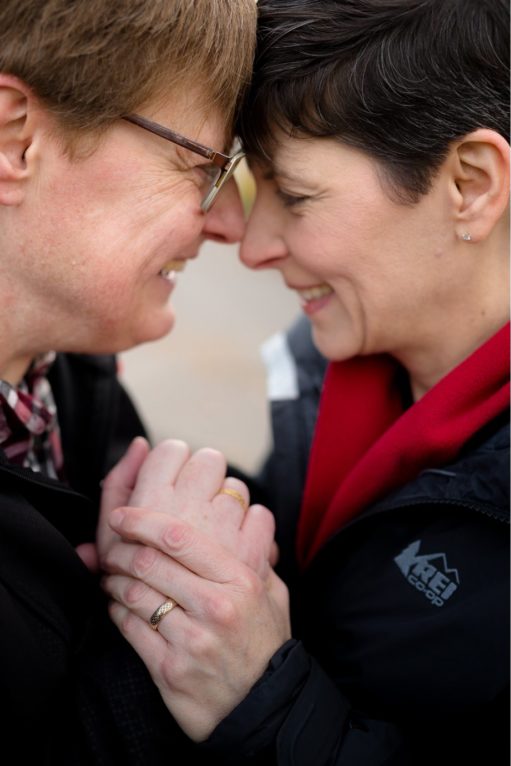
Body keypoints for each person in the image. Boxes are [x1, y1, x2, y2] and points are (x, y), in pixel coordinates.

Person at [97, 1, 511, 763]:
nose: (252, 246)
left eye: (296, 195)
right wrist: (172, 539)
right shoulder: (322, 359)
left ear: (471, 185)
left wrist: (260, 697)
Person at [0, 1, 267, 761]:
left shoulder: (68, 373)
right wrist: (198, 656)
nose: (231, 228)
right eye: (206, 167)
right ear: (15, 138)